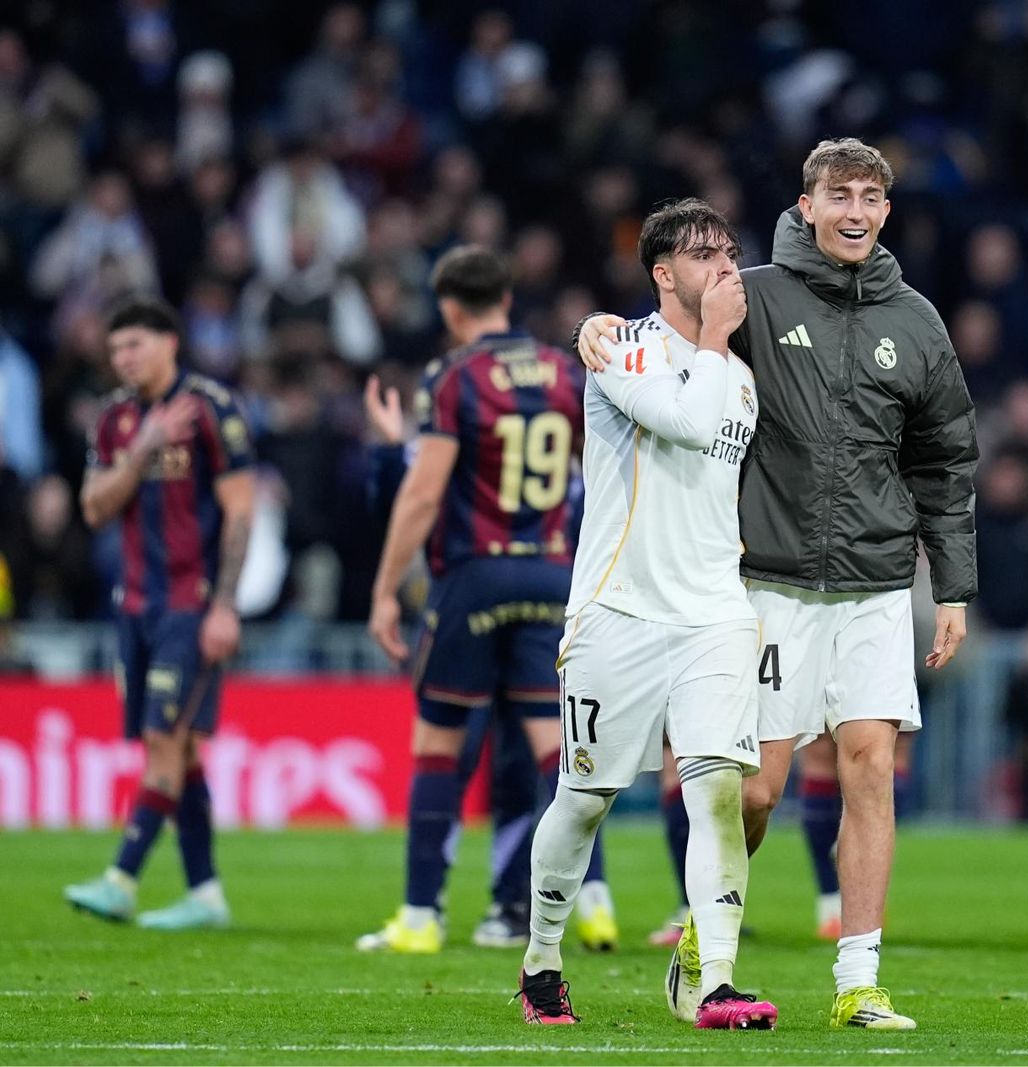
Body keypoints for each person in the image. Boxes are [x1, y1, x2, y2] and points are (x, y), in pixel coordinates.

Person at [577, 138, 978, 1029]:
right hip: (768, 579)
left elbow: (947, 460)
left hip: (876, 582)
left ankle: (858, 981)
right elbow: (670, 329)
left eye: (873, 197)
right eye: (841, 193)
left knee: (870, 767)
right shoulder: (751, 291)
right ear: (806, 204)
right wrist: (598, 330)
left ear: (886, 211)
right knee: (754, 790)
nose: (857, 211)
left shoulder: (915, 320)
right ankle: (703, 939)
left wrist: (952, 587)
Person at [517, 198, 775, 1029]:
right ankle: (541, 961)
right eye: (704, 255)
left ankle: (715, 981)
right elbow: (690, 420)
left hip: (713, 615)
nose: (725, 267)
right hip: (617, 612)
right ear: (663, 273)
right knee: (585, 798)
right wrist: (710, 342)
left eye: (731, 252)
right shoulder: (617, 348)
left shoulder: (739, 374)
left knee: (719, 794)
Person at [359, 245, 585, 954]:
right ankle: (541, 915)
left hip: (474, 576)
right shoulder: (564, 371)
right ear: (508, 299)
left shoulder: (453, 376)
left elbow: (426, 490)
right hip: (552, 571)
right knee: (555, 750)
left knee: (437, 743)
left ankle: (421, 916)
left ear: (451, 309)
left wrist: (384, 589)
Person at [64, 297, 255, 929]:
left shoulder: (212, 409)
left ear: (170, 342)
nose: (123, 359)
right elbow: (93, 509)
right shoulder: (115, 419)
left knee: (163, 740)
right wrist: (144, 447)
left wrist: (226, 605)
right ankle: (206, 895)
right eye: (116, 349)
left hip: (191, 606)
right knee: (183, 752)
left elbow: (240, 508)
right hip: (135, 607)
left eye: (135, 346)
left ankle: (121, 878)